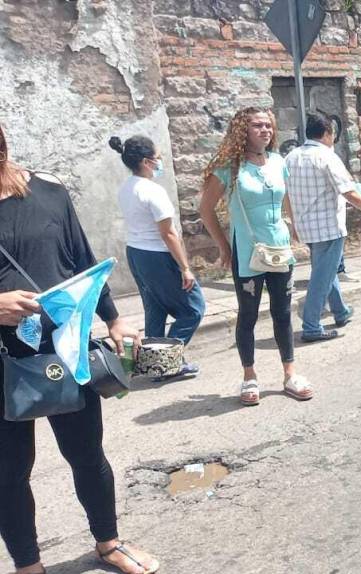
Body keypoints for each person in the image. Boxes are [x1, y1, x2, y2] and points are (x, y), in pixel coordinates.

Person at [0, 122, 159, 574]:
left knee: (87, 453)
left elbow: (82, 262)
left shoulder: (47, 191)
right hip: (2, 360)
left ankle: (108, 543)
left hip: (64, 346)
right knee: (9, 471)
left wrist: (113, 317)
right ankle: (28, 565)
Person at [199, 107, 313, 405]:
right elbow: (205, 209)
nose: (265, 130)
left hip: (279, 250)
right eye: (257, 125)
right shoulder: (230, 167)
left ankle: (290, 374)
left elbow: (286, 196)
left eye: (268, 125)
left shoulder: (277, 161)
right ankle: (250, 376)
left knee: (282, 313)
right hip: (247, 252)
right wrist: (224, 246)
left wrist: (294, 227)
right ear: (242, 130)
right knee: (248, 315)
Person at [110, 135, 204, 379]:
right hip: (158, 256)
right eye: (158, 157)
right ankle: (164, 360)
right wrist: (185, 267)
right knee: (193, 309)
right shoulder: (153, 191)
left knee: (156, 310)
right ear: (146, 161)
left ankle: (152, 363)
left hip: (137, 253)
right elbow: (169, 233)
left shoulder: (126, 187)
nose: (161, 161)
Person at [284, 112, 361, 342]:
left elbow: (286, 195)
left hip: (307, 227)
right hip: (328, 227)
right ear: (327, 134)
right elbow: (348, 191)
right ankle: (311, 326)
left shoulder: (291, 157)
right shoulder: (327, 157)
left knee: (326, 270)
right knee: (321, 277)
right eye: (332, 134)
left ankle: (340, 311)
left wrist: (294, 222)